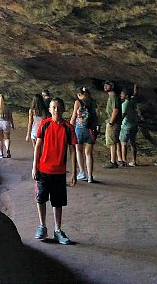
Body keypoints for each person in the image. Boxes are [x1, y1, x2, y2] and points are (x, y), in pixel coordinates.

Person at [32, 97, 76, 245]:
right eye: (53, 107)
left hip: (59, 171)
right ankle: (42, 226)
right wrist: (34, 166)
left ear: (63, 109)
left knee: (58, 203)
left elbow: (72, 151)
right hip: (43, 169)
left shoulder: (68, 128)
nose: (56, 110)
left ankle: (58, 230)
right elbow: (38, 147)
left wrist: (74, 173)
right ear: (49, 110)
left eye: (58, 107)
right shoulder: (44, 125)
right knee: (41, 198)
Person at [70, 87, 99, 183]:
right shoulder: (93, 102)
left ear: (79, 94)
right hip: (91, 130)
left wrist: (70, 127)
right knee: (88, 153)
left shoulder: (78, 102)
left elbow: (74, 116)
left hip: (80, 130)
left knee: (79, 151)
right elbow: (96, 116)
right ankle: (90, 176)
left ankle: (82, 173)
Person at [102, 81, 122, 168]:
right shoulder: (111, 96)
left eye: (107, 85)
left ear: (112, 86)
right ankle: (119, 159)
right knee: (115, 140)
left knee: (112, 141)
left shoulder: (113, 96)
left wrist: (111, 122)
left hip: (113, 122)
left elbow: (115, 110)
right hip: (114, 122)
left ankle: (113, 161)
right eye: (105, 85)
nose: (105, 86)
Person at [120, 86, 139, 166]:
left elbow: (123, 115)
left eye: (122, 94)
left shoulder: (125, 104)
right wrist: (135, 87)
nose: (121, 95)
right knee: (132, 143)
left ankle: (124, 161)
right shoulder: (132, 100)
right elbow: (135, 94)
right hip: (134, 125)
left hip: (126, 126)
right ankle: (134, 161)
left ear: (126, 96)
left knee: (123, 143)